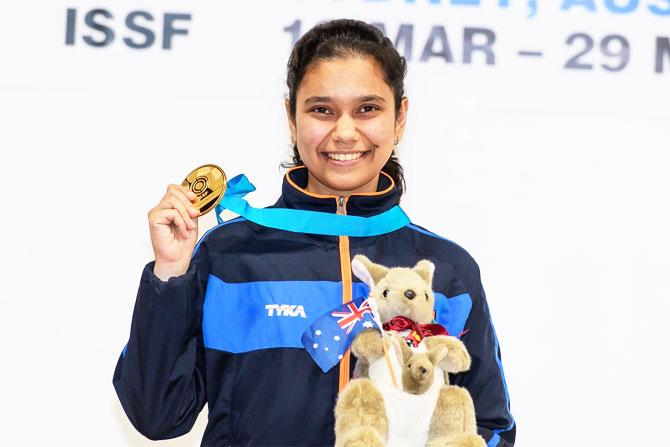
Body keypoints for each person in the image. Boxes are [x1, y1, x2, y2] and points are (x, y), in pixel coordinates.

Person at [113, 18, 516, 447]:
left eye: (368, 109)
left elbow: (490, 427)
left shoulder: (445, 271)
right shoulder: (233, 255)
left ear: (400, 117)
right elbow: (156, 415)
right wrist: (171, 274)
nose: (344, 132)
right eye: (321, 109)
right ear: (291, 116)